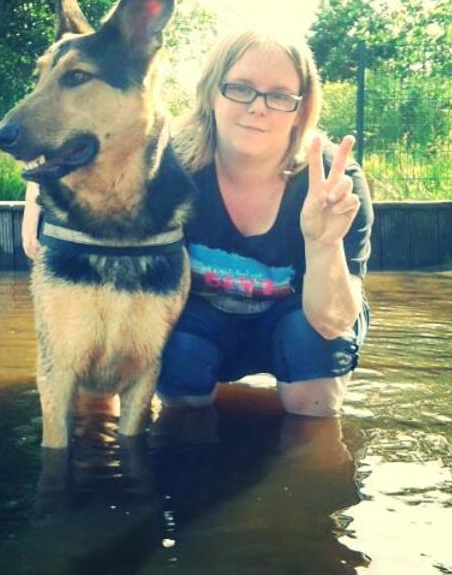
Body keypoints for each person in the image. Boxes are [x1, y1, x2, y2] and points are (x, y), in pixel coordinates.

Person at [20, 28, 373, 419]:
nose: (258, 107)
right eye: (240, 88)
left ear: (301, 110)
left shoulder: (333, 183)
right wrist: (39, 186)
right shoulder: (165, 164)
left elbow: (332, 323)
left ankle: (308, 447)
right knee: (178, 359)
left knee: (310, 353)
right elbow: (99, 141)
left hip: (296, 321)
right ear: (210, 93)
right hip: (204, 320)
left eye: (279, 95)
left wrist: (323, 244)